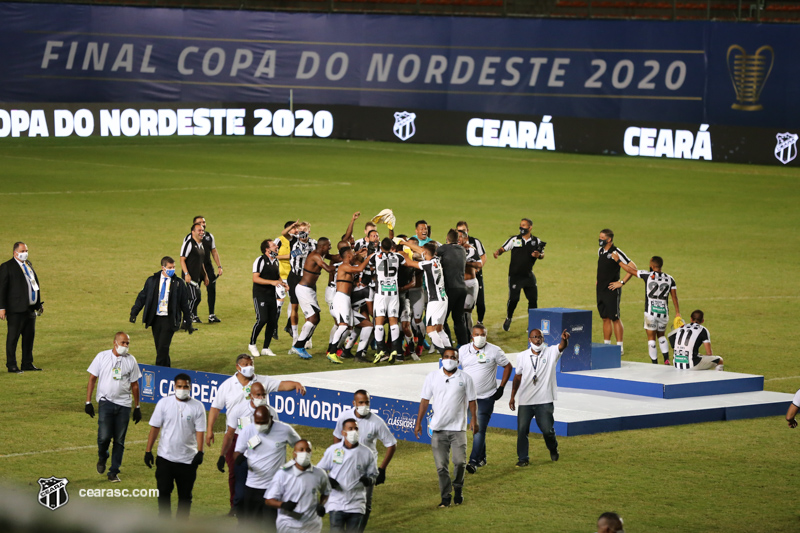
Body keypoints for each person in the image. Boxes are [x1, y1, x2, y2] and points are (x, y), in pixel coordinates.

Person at [207, 354, 306, 514]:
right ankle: (236, 507)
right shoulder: (227, 386)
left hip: (261, 437)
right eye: (246, 364)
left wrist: (296, 384)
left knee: (260, 472)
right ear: (238, 367)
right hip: (237, 436)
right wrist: (210, 429)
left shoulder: (261, 381)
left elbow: (281, 385)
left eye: (251, 363)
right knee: (235, 474)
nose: (250, 367)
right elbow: (215, 408)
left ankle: (261, 506)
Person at [414, 348, 478, 508]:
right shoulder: (432, 377)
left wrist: (474, 420)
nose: (449, 360)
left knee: (460, 463)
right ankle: (445, 498)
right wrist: (418, 422)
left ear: (458, 360)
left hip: (458, 429)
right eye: (446, 357)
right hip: (438, 429)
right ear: (442, 358)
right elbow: (424, 400)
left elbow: (472, 401)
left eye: (453, 357)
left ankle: (458, 489)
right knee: (441, 467)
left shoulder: (466, 378)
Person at [332, 390, 397, 531]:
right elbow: (337, 436)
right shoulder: (344, 417)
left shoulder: (377, 422)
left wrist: (382, 469)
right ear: (354, 403)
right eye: (361, 402)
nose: (364, 405)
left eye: (367, 402)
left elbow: (392, 444)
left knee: (365, 505)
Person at [144, 373, 206, 518]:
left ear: (190, 387)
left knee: (185, 497)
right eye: (179, 386)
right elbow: (155, 427)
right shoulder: (164, 403)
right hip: (165, 458)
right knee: (163, 492)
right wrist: (148, 451)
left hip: (188, 461)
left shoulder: (198, 407)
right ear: (174, 386)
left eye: (185, 386)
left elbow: (200, 431)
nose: (182, 389)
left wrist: (201, 452)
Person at [85, 332, 142, 482]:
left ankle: (113, 471)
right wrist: (88, 402)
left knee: (119, 440)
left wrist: (137, 407)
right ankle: (103, 456)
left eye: (127, 343)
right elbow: (92, 379)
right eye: (123, 343)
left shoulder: (131, 360)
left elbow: (135, 385)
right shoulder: (102, 357)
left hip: (124, 405)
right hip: (106, 403)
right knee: (103, 438)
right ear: (114, 343)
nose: (125, 346)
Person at [510, 328, 570, 467]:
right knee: (522, 430)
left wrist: (564, 339)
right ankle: (523, 458)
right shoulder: (522, 356)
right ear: (529, 339)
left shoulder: (550, 352)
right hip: (525, 400)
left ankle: (553, 448)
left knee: (547, 430)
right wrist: (512, 396)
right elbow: (517, 377)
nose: (538, 339)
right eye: (535, 337)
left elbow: (562, 347)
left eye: (540, 337)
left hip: (544, 400)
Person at [234, 405, 301, 529]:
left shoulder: (284, 430)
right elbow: (237, 453)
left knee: (270, 526)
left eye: (263, 422)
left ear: (271, 418)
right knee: (250, 526)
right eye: (257, 422)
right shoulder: (247, 430)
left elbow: (300, 446)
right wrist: (239, 458)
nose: (260, 426)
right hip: (252, 487)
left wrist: (292, 464)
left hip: (274, 488)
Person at [459, 324, 512, 473]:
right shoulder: (463, 350)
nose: (480, 337)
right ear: (472, 336)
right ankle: (482, 458)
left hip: (486, 397)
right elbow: (453, 369)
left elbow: (508, 366)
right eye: (477, 334)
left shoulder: (494, 350)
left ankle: (473, 461)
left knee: (478, 429)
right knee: (477, 428)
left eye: (483, 335)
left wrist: (501, 388)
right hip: (469, 398)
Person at [615, 254, 680, 365]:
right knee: (661, 336)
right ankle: (666, 359)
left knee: (651, 339)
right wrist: (677, 312)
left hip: (651, 313)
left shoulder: (648, 275)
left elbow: (630, 270)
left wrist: (618, 261)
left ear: (651, 265)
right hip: (663, 313)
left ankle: (654, 364)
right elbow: (674, 296)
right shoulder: (670, 279)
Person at [130, 256, 194, 367]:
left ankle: (158, 371)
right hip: (155, 319)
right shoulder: (152, 280)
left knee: (163, 347)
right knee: (160, 347)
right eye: (170, 267)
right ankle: (166, 369)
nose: (172, 269)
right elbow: (142, 297)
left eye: (174, 267)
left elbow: (184, 304)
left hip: (169, 319)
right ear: (163, 267)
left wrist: (188, 321)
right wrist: (134, 312)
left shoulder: (178, 283)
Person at [318, 419, 379, 533]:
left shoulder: (367, 453)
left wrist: (369, 480)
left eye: (356, 429)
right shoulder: (333, 450)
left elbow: (374, 475)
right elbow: (319, 470)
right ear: (343, 433)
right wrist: (327, 480)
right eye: (350, 429)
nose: (354, 431)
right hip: (336, 503)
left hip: (357, 503)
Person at [265, 440, 331, 533]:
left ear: (311, 452)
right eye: (301, 450)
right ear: (294, 454)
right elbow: (268, 500)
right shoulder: (283, 474)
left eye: (307, 450)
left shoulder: (320, 474)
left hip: (312, 525)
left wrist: (321, 504)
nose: (304, 453)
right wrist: (283, 505)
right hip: (288, 525)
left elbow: (326, 492)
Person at [493, 218, 545, 332]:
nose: (521, 228)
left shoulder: (536, 241)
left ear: (530, 227)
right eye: (520, 225)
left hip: (528, 276)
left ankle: (532, 324)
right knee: (514, 299)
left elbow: (542, 254)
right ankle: (509, 318)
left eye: (524, 225)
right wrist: (498, 252)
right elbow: (504, 248)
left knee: (533, 300)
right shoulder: (515, 239)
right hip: (515, 276)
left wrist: (538, 255)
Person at [0, 242, 43, 373]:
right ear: (15, 253)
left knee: (29, 338)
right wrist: (1, 307)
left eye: (26, 250)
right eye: (23, 250)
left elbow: (34, 285)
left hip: (30, 309)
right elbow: (1, 289)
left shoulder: (28, 265)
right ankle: (11, 365)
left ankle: (27, 363)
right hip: (15, 310)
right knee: (13, 338)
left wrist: (37, 303)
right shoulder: (7, 267)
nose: (25, 253)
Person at [400, 240, 450, 353]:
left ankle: (444, 354)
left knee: (431, 330)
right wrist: (406, 244)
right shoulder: (436, 260)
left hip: (435, 300)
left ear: (426, 252)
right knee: (440, 329)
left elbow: (408, 263)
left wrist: (404, 254)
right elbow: (421, 251)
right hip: (443, 299)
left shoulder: (427, 264)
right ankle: (451, 352)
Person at [292, 238, 335, 360]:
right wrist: (344, 268)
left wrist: (352, 255)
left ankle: (300, 344)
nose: (330, 247)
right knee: (313, 318)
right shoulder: (315, 256)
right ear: (322, 246)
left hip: (309, 290)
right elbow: (328, 268)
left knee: (316, 318)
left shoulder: (322, 254)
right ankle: (299, 345)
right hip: (304, 290)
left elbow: (335, 257)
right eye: (328, 245)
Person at [328, 247, 372, 364]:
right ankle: (332, 352)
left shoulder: (346, 267)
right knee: (343, 326)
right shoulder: (344, 266)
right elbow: (360, 268)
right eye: (352, 254)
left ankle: (359, 354)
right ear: (348, 256)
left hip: (346, 300)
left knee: (368, 325)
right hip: (341, 299)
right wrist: (369, 257)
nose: (353, 256)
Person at [369, 238, 408, 364]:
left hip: (381, 294)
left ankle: (381, 350)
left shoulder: (375, 256)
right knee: (393, 321)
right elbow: (406, 263)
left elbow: (369, 266)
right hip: (394, 294)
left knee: (379, 322)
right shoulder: (398, 257)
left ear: (381, 247)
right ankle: (396, 349)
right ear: (392, 246)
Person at [596, 229, 635, 354]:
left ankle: (619, 347)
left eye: (602, 238)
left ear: (609, 240)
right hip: (600, 290)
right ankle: (606, 345)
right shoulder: (600, 251)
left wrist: (621, 282)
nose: (600, 240)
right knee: (605, 318)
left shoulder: (616, 252)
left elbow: (633, 267)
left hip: (612, 290)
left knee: (615, 318)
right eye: (599, 237)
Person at [250, 239, 289, 358]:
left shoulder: (275, 261)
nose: (276, 246)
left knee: (272, 321)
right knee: (262, 320)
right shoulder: (260, 260)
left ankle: (266, 348)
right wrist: (272, 282)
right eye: (273, 245)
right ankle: (252, 344)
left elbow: (277, 277)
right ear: (267, 249)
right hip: (260, 295)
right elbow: (255, 278)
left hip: (272, 295)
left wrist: (283, 284)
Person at [282, 220, 316, 350]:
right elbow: (284, 233)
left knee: (309, 309)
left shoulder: (314, 243)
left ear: (309, 231)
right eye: (300, 230)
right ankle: (295, 337)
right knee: (294, 307)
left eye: (304, 230)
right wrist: (292, 226)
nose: (302, 232)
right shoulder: (293, 240)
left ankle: (307, 337)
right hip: (295, 277)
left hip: (308, 279)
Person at [185, 216, 223, 323]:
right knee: (195, 293)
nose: (203, 224)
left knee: (211, 290)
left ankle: (211, 315)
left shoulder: (209, 236)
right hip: (195, 269)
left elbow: (214, 251)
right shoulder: (189, 238)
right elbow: (184, 257)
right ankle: (193, 315)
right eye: (200, 222)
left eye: (204, 222)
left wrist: (219, 266)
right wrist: (187, 272)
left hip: (208, 267)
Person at [436, 229, 469, 346]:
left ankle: (448, 345)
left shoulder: (444, 248)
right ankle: (464, 345)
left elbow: (430, 253)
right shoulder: (462, 250)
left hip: (451, 289)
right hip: (462, 288)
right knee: (459, 319)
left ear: (447, 238)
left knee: (442, 320)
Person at [456, 221, 487, 324]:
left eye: (463, 230)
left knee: (480, 302)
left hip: (476, 276)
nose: (461, 233)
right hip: (461, 279)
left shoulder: (475, 242)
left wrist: (477, 269)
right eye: (459, 231)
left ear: (467, 231)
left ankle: (480, 322)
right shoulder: (454, 244)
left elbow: (483, 257)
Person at [180, 222, 209, 323]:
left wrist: (205, 275)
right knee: (194, 298)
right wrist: (186, 274)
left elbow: (201, 263)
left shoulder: (201, 245)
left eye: (202, 230)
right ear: (193, 232)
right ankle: (186, 320)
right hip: (189, 277)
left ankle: (186, 318)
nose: (202, 232)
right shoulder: (189, 244)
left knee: (197, 298)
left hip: (196, 277)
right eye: (199, 230)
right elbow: (182, 259)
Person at [460, 231, 483, 333]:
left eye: (461, 237)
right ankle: (462, 336)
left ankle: (469, 334)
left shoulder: (471, 250)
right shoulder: (452, 250)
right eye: (457, 237)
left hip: (470, 284)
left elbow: (479, 265)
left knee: (467, 313)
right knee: (458, 312)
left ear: (465, 239)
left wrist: (466, 263)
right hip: (458, 285)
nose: (458, 239)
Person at [277, 220, 295, 340]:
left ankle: (289, 326)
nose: (296, 231)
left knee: (294, 302)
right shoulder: (279, 240)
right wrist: (287, 256)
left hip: (293, 275)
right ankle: (273, 327)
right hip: (281, 275)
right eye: (294, 228)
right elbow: (272, 254)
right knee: (280, 302)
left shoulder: (297, 240)